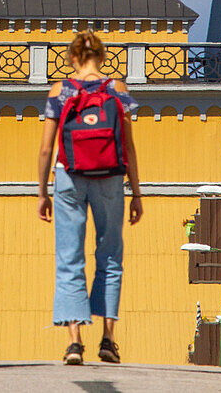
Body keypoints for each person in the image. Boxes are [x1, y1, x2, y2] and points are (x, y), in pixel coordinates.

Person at [38, 29, 143, 366]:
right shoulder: (118, 89)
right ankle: (109, 339)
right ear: (103, 56)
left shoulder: (60, 90)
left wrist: (42, 192)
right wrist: (137, 193)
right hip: (110, 177)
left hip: (68, 176)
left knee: (69, 257)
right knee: (110, 256)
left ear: (72, 58)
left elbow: (45, 148)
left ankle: (74, 342)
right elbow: (128, 146)